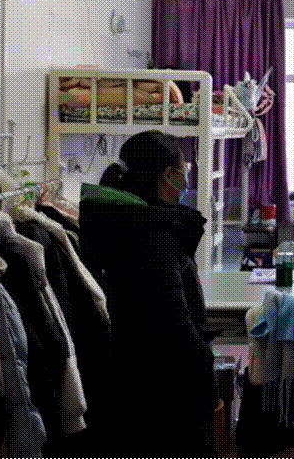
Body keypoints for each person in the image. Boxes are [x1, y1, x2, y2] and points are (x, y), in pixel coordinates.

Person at [78, 130, 218, 457]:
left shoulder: (130, 223)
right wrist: (205, 372)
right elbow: (173, 329)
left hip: (138, 384)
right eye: (185, 169)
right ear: (168, 175)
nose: (186, 179)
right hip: (162, 395)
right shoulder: (151, 238)